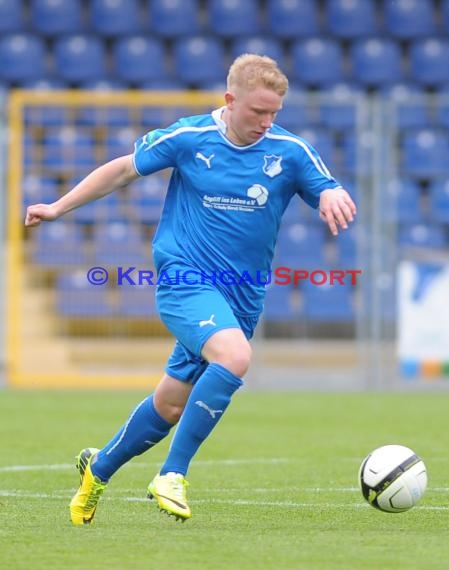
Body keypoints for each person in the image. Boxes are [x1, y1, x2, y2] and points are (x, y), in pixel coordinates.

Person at [25, 54, 356, 525]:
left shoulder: (291, 151)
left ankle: (97, 470)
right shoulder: (189, 137)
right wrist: (58, 207)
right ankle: (171, 474)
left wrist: (329, 192)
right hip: (185, 279)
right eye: (257, 111)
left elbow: (324, 184)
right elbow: (121, 170)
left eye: (274, 113)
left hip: (242, 296)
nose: (266, 122)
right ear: (230, 100)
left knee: (171, 404)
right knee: (235, 358)